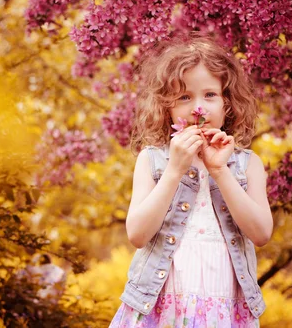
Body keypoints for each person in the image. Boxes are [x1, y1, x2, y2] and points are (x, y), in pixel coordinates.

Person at [109, 35, 273, 327]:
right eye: (185, 97)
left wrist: (221, 172)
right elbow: (137, 235)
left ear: (228, 104)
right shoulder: (153, 160)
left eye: (210, 95)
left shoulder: (248, 165)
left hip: (224, 308)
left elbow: (261, 234)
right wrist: (174, 171)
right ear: (167, 107)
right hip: (161, 307)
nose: (199, 108)